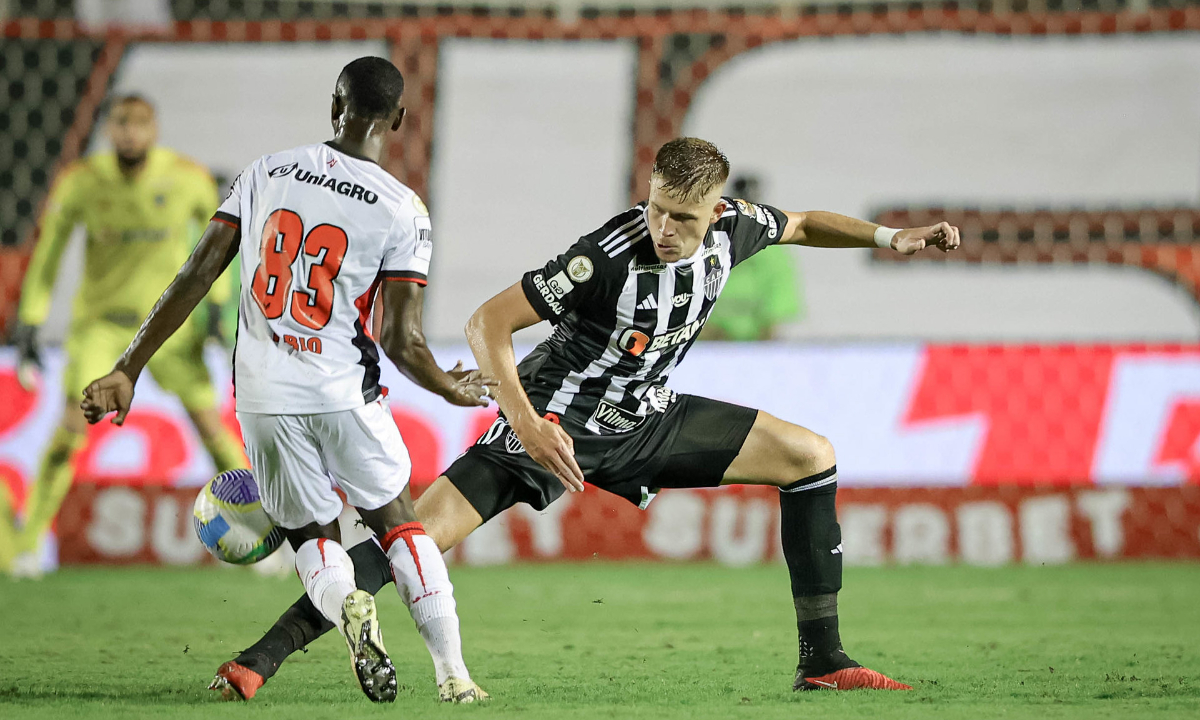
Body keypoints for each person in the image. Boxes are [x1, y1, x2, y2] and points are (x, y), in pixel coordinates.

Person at [209, 137, 960, 698]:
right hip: (556, 422)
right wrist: (525, 419)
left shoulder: (735, 227)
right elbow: (486, 323)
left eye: (685, 218)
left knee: (811, 454)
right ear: (649, 193)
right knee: (415, 537)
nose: (668, 229)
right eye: (659, 209)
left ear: (714, 210)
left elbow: (801, 224)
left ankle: (823, 661)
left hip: (646, 418)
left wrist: (891, 239)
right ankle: (258, 659)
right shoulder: (603, 255)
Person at [80, 57, 493, 704]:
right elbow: (402, 341)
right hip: (342, 391)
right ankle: (453, 675)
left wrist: (128, 367)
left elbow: (197, 273)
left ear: (335, 106)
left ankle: (350, 606)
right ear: (400, 119)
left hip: (265, 398)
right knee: (398, 524)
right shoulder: (402, 209)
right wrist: (448, 387)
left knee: (311, 538)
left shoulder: (266, 170)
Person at [5, 94, 245, 578]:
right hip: (102, 326)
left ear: (154, 129)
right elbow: (48, 253)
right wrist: (31, 319)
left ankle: (257, 537)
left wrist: (219, 312)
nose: (129, 134)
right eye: (120, 124)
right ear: (109, 130)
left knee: (214, 430)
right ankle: (28, 547)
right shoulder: (81, 183)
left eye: (138, 125)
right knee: (70, 430)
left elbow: (224, 246)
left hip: (168, 327)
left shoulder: (187, 178)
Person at [703, 175, 803, 341]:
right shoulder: (709, 241)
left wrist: (763, 338)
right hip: (708, 344)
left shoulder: (775, 249)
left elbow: (777, 308)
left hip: (755, 346)